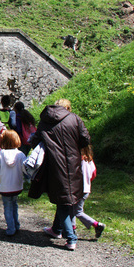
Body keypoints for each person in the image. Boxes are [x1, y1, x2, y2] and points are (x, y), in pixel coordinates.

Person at [31, 98, 90, 251]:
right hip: (73, 163)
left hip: (54, 165)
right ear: (67, 107)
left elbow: (35, 140)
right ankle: (71, 238)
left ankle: (57, 230)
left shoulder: (45, 121)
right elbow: (85, 139)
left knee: (63, 199)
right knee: (68, 200)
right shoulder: (74, 118)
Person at [0, 130, 26, 236]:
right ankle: (16, 224)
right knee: (14, 205)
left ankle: (11, 228)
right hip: (17, 186)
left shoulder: (0, 155)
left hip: (5, 187)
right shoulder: (20, 154)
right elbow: (25, 169)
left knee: (7, 207)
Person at [73, 144, 106, 238]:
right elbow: (93, 173)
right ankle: (73, 229)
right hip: (86, 188)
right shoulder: (89, 160)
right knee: (76, 210)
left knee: (75, 211)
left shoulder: (79, 160)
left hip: (79, 188)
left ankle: (96, 225)